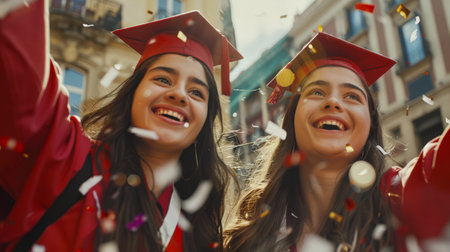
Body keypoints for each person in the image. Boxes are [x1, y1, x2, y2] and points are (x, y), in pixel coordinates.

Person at [0, 0, 242, 251]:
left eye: (196, 92)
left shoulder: (198, 235)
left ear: (205, 122)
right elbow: (21, 78)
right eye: (162, 78)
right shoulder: (65, 159)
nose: (179, 94)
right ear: (132, 94)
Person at [224, 32, 449, 251]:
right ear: (291, 120)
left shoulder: (401, 197)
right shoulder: (251, 233)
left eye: (352, 96)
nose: (333, 102)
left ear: (370, 124)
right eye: (317, 92)